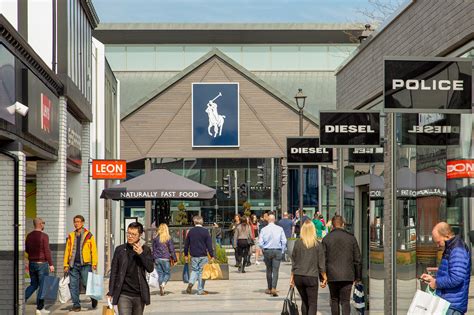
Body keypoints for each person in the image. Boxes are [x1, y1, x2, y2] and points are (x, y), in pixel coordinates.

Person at [421, 222, 471, 315]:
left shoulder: (457, 250)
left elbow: (456, 278)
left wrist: (436, 283)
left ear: (447, 236)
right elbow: (450, 272)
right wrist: (433, 279)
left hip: (452, 306)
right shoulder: (451, 248)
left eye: (438, 242)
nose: (437, 246)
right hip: (449, 303)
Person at [108, 222, 154, 314]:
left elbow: (150, 268)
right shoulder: (120, 250)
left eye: (133, 234)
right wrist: (111, 291)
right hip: (123, 293)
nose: (130, 236)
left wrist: (141, 254)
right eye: (128, 233)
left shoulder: (145, 250)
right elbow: (114, 272)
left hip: (139, 294)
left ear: (140, 235)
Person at [322, 215, 361, 315]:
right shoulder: (351, 238)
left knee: (334, 300)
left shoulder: (326, 239)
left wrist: (322, 277)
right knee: (346, 301)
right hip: (347, 275)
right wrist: (358, 277)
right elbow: (357, 259)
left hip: (332, 275)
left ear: (332, 225)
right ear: (343, 224)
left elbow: (322, 259)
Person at [290, 221, 327, 315]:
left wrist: (292, 277)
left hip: (298, 276)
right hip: (311, 276)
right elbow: (321, 264)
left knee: (305, 301)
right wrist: (324, 276)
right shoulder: (317, 244)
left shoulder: (297, 243)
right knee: (312, 303)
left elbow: (294, 261)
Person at [63, 215, 98, 312]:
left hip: (86, 264)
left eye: (78, 221)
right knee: (74, 285)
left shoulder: (89, 235)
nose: (76, 223)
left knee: (87, 283)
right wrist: (66, 264)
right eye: (75, 222)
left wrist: (94, 263)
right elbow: (67, 250)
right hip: (73, 264)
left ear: (82, 223)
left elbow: (94, 250)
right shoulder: (71, 235)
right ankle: (76, 304)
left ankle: (93, 298)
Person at [25, 218, 54, 315]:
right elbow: (47, 251)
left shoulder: (29, 236)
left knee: (33, 284)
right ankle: (40, 308)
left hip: (32, 263)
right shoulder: (44, 236)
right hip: (42, 264)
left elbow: (27, 249)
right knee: (42, 286)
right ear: (40, 224)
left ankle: (20, 300)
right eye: (43, 223)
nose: (44, 225)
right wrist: (51, 264)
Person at [184, 216, 215, 295]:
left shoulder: (191, 231)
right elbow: (209, 245)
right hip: (203, 255)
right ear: (202, 222)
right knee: (202, 272)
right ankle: (200, 290)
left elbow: (186, 244)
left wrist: (186, 254)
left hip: (194, 255)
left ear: (194, 222)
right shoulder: (205, 231)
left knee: (194, 270)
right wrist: (212, 255)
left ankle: (191, 283)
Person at [258, 214, 287, 297]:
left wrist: (263, 249)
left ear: (268, 220)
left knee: (269, 270)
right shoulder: (280, 229)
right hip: (277, 250)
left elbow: (260, 243)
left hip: (267, 251)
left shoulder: (263, 229)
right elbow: (284, 241)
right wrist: (282, 250)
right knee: (276, 270)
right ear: (274, 220)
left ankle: (269, 288)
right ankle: (274, 287)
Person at [152, 223, 177, 296]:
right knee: (167, 273)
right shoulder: (168, 238)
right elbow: (171, 249)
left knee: (160, 274)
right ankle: (163, 284)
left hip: (157, 258)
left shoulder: (155, 238)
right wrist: (174, 259)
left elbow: (153, 249)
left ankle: (161, 288)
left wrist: (153, 258)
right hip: (165, 258)